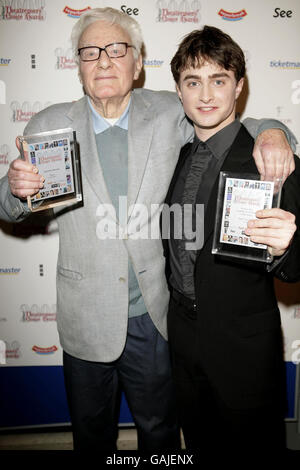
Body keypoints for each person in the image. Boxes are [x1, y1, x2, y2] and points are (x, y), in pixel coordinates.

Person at [0, 8, 297, 452]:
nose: (103, 61)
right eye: (90, 52)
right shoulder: (49, 125)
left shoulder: (166, 111)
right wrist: (15, 188)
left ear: (138, 65)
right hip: (85, 318)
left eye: (117, 50)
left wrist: (274, 132)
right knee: (91, 437)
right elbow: (9, 204)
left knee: (161, 438)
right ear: (77, 64)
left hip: (156, 320)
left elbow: (227, 121)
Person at [163, 25, 300, 456]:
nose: (206, 94)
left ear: (238, 87)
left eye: (219, 80)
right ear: (180, 92)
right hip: (184, 344)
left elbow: (295, 268)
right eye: (193, 82)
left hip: (244, 351)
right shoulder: (178, 155)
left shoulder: (272, 159)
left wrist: (284, 249)